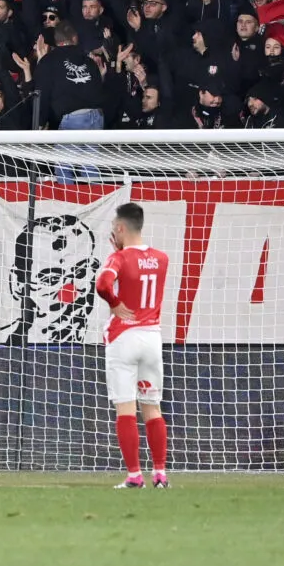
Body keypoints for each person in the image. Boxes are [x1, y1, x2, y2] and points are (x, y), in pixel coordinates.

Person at [95, 202, 170, 489]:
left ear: (120, 227)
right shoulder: (162, 258)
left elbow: (103, 284)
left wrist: (115, 305)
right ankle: (161, 475)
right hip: (152, 337)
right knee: (152, 407)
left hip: (124, 337)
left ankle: (134, 476)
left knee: (125, 409)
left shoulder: (120, 258)